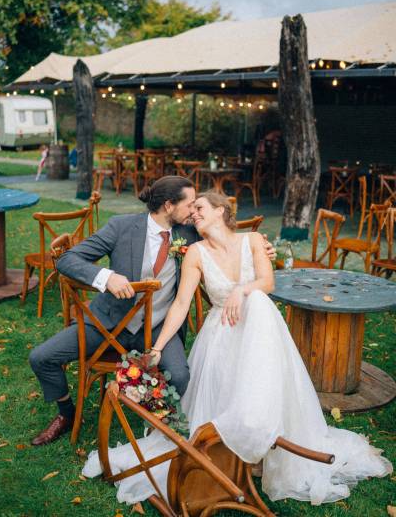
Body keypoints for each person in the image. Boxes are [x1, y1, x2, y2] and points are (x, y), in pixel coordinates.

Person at [83, 192, 392, 506]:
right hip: (222, 336)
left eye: (199, 208)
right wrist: (158, 348)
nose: (193, 215)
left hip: (260, 334)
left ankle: (261, 440)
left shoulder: (254, 240)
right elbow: (180, 305)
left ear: (220, 210)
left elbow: (267, 282)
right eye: (191, 213)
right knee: (250, 313)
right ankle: (238, 448)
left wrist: (242, 291)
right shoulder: (195, 253)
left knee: (257, 300)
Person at [28, 177, 275, 445]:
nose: (193, 211)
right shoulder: (120, 227)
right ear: (169, 205)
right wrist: (106, 276)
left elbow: (228, 239)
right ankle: (66, 414)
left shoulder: (190, 233)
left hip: (159, 328)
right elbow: (67, 259)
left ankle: (152, 418)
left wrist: (262, 246)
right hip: (108, 324)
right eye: (190, 204)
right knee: (42, 358)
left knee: (180, 376)